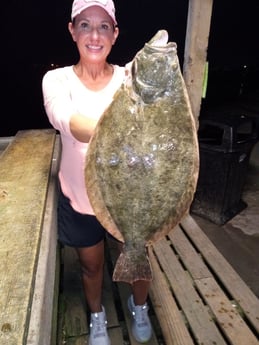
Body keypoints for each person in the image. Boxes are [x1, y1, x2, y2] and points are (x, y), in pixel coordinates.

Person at [42, 0, 152, 344]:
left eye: (104, 26)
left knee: (137, 258)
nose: (95, 34)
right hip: (81, 200)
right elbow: (66, 120)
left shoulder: (130, 78)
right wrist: (118, 130)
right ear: (72, 30)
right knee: (91, 266)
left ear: (115, 34)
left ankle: (141, 308)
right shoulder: (55, 79)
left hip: (128, 198)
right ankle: (98, 316)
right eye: (86, 24)